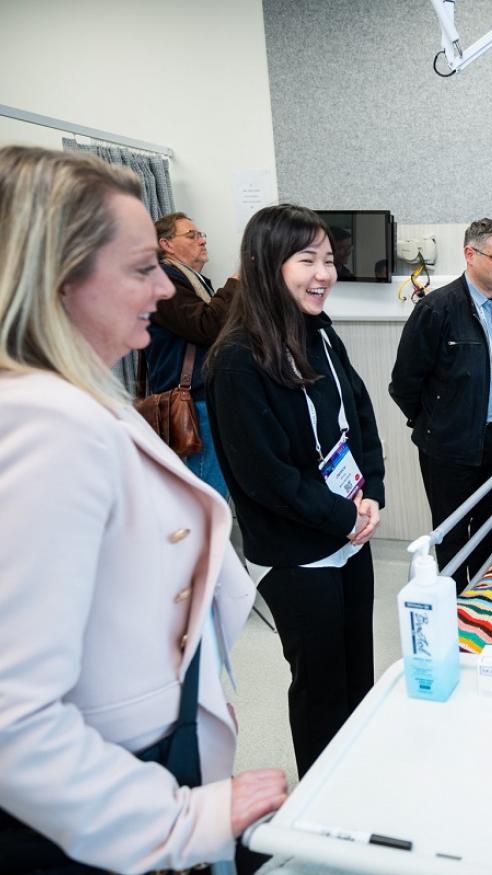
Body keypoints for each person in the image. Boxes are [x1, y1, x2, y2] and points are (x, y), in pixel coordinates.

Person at [0, 145, 286, 872]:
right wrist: (179, 820)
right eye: (140, 268)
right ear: (55, 279)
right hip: (91, 797)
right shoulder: (49, 423)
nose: (163, 290)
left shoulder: (78, 397)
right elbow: (13, 719)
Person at [205, 205, 385, 777]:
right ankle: (320, 802)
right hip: (295, 551)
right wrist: (341, 516)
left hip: (349, 532)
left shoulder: (322, 335)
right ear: (265, 266)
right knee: (321, 683)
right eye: (306, 260)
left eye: (329, 259)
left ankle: (360, 778)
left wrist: (371, 492)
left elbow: (359, 415)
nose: (323, 274)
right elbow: (266, 477)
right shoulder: (237, 361)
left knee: (359, 667)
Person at [390, 218, 492, 592]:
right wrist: (438, 426)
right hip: (448, 447)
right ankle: (457, 609)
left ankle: (481, 602)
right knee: (451, 535)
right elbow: (404, 383)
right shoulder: (437, 309)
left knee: (489, 528)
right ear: (470, 254)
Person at [144, 211, 239, 496]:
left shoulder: (194, 280)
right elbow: (206, 327)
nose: (201, 241)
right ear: (167, 244)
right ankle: (204, 540)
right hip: (193, 401)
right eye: (192, 235)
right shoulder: (166, 281)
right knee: (205, 490)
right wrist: (235, 282)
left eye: (201, 235)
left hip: (204, 396)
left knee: (213, 482)